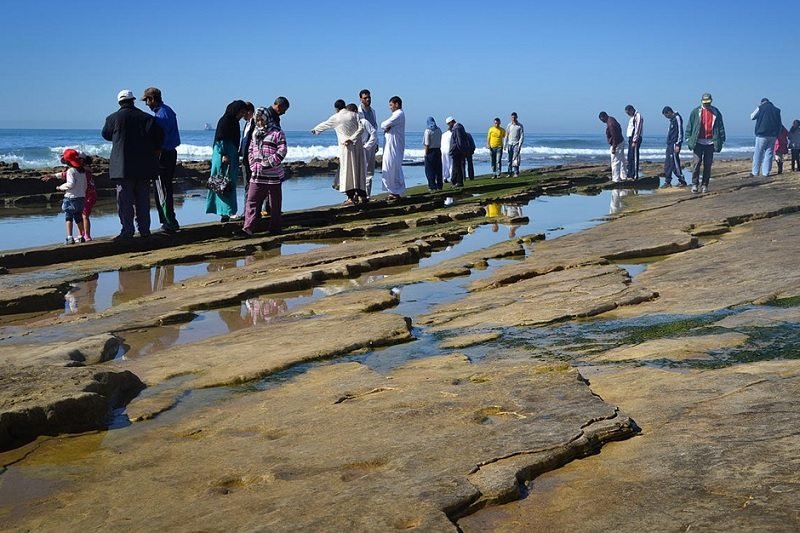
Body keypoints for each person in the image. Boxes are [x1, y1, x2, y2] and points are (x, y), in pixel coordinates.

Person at [102, 89, 163, 239]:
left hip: (122, 167)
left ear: (119, 102)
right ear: (133, 101)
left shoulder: (112, 118)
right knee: (143, 200)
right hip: (144, 166)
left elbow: (106, 135)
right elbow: (159, 137)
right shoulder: (147, 118)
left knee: (125, 201)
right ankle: (144, 230)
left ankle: (127, 231)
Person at [239, 98, 290, 237]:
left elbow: (282, 150)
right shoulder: (256, 133)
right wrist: (252, 163)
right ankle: (248, 227)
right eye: (258, 120)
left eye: (262, 120)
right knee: (252, 200)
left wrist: (269, 162)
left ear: (267, 119)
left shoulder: (277, 132)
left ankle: (275, 228)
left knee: (274, 204)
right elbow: (250, 149)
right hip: (257, 173)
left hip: (273, 174)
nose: (260, 122)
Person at [141, 87, 181, 233]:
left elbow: (159, 139)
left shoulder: (160, 116)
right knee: (166, 188)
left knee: (162, 190)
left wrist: (154, 157)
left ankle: (168, 222)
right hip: (170, 153)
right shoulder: (168, 110)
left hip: (163, 155)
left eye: (147, 101)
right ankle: (170, 220)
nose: (146, 104)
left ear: (152, 99)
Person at [312, 99, 365, 205]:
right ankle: (362, 196)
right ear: (344, 106)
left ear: (336, 109)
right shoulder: (354, 115)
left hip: (345, 147)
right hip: (357, 146)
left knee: (347, 171)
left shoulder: (336, 117)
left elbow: (325, 124)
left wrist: (315, 129)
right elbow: (362, 128)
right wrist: (353, 138)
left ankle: (350, 198)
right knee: (358, 170)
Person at [207, 100, 248, 222]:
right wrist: (224, 154)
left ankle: (225, 212)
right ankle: (228, 211)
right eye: (241, 112)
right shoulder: (226, 121)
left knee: (226, 183)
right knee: (225, 183)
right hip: (224, 155)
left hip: (230, 154)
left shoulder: (233, 122)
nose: (242, 115)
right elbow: (220, 138)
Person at [41, 148, 87, 244]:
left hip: (71, 198)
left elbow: (70, 184)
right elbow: (85, 185)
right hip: (81, 198)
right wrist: (52, 175)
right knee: (78, 217)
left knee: (68, 217)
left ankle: (70, 237)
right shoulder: (82, 171)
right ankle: (81, 236)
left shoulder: (71, 171)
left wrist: (60, 187)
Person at [686, 92, 726, 194]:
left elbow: (720, 127)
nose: (706, 105)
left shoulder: (716, 112)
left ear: (711, 101)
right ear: (701, 101)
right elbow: (689, 126)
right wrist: (688, 139)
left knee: (707, 164)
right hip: (698, 142)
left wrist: (722, 139)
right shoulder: (695, 112)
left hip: (710, 143)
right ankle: (694, 184)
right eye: (705, 103)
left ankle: (705, 185)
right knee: (696, 163)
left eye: (708, 103)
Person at [380, 96, 406, 199]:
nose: (390, 107)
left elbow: (383, 124)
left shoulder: (398, 114)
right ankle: (393, 191)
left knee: (392, 167)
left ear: (397, 104)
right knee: (390, 166)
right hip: (392, 145)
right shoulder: (397, 115)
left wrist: (387, 126)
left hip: (394, 146)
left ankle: (395, 191)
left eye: (391, 105)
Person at [750, 98, 782, 177]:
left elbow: (752, 116)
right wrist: (778, 134)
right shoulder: (776, 110)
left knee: (758, 153)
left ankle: (755, 172)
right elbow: (779, 124)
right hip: (773, 135)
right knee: (769, 153)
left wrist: (759, 107)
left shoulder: (761, 107)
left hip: (762, 134)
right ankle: (766, 172)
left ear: (762, 102)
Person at [347, 102, 372, 202]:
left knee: (363, 173)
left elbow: (373, 133)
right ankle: (353, 196)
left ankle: (364, 195)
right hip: (353, 150)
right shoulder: (350, 123)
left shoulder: (363, 121)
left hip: (363, 148)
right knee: (353, 173)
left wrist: (367, 146)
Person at [357, 89, 379, 198]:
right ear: (361, 99)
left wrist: (376, 143)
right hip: (362, 143)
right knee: (360, 170)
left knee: (370, 172)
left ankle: (367, 195)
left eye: (369, 97)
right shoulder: (358, 112)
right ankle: (358, 194)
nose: (368, 99)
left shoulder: (373, 111)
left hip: (372, 143)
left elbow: (375, 127)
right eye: (365, 98)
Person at [238, 102, 257, 215]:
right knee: (246, 186)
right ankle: (246, 211)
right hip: (245, 158)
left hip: (252, 159)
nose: (242, 116)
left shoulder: (255, 122)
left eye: (243, 113)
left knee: (252, 186)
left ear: (248, 111)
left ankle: (249, 212)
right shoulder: (247, 124)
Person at [661, 106, 687, 187]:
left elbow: (680, 131)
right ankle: (667, 181)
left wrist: (678, 144)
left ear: (669, 112)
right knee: (668, 163)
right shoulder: (671, 120)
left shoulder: (677, 118)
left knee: (675, 163)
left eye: (666, 115)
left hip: (675, 144)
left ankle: (682, 180)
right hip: (670, 144)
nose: (666, 117)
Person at [598, 112, 627, 183]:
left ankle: (616, 179)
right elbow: (619, 128)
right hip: (620, 141)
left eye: (602, 120)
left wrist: (614, 147)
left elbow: (614, 136)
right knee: (622, 160)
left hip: (617, 143)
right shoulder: (612, 119)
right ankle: (623, 176)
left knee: (615, 161)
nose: (602, 122)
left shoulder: (610, 124)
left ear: (604, 117)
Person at [79, 153, 97, 241]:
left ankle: (87, 235)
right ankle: (83, 233)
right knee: (82, 214)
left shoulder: (83, 170)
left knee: (85, 215)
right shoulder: (87, 169)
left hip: (88, 195)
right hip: (89, 194)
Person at [447, 117, 468, 188]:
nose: (448, 126)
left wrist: (460, 150)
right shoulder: (459, 127)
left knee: (457, 167)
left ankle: (459, 182)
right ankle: (454, 181)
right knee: (456, 167)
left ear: (451, 122)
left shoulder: (457, 128)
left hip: (457, 150)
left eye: (448, 124)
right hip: (458, 150)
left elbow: (459, 141)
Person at [423, 117, 443, 191]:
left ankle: (432, 185)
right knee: (438, 169)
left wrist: (425, 153)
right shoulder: (439, 130)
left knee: (429, 170)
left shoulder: (428, 131)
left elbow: (427, 143)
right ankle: (439, 185)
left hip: (430, 151)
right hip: (438, 150)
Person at [624, 105, 644, 180]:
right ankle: (630, 174)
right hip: (631, 138)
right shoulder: (632, 117)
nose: (628, 114)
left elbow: (638, 128)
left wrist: (635, 140)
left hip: (635, 138)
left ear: (631, 110)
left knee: (634, 156)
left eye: (628, 112)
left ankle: (634, 174)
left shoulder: (638, 116)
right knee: (630, 156)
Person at [505, 112, 524, 176]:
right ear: (511, 118)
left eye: (514, 117)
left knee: (515, 159)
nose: (513, 118)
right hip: (510, 143)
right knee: (509, 159)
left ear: (517, 117)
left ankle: (516, 172)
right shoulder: (509, 125)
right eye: (512, 117)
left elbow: (522, 136)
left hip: (516, 144)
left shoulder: (520, 126)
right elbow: (506, 135)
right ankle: (509, 172)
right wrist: (505, 144)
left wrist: (520, 144)